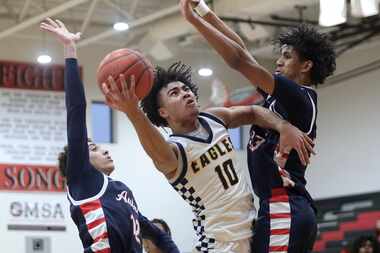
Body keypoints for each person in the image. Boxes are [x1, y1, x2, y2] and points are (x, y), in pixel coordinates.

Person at [101, 55, 314, 252]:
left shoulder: (213, 118)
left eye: (186, 89)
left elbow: (253, 111)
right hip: (218, 243)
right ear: (163, 112)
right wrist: (133, 112)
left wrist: (283, 126)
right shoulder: (174, 150)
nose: (185, 93)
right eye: (174, 93)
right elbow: (159, 155)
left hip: (250, 233)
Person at [179, 0, 337, 252]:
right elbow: (241, 50)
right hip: (275, 207)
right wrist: (203, 10)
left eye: (287, 56)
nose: (278, 61)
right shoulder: (279, 98)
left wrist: (194, 21)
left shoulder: (300, 98)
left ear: (306, 66)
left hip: (284, 205)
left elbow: (240, 60)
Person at [40, 18, 180, 253]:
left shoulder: (122, 190)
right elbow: (76, 110)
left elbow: (158, 235)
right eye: (93, 148)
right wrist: (70, 51)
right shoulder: (82, 179)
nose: (105, 149)